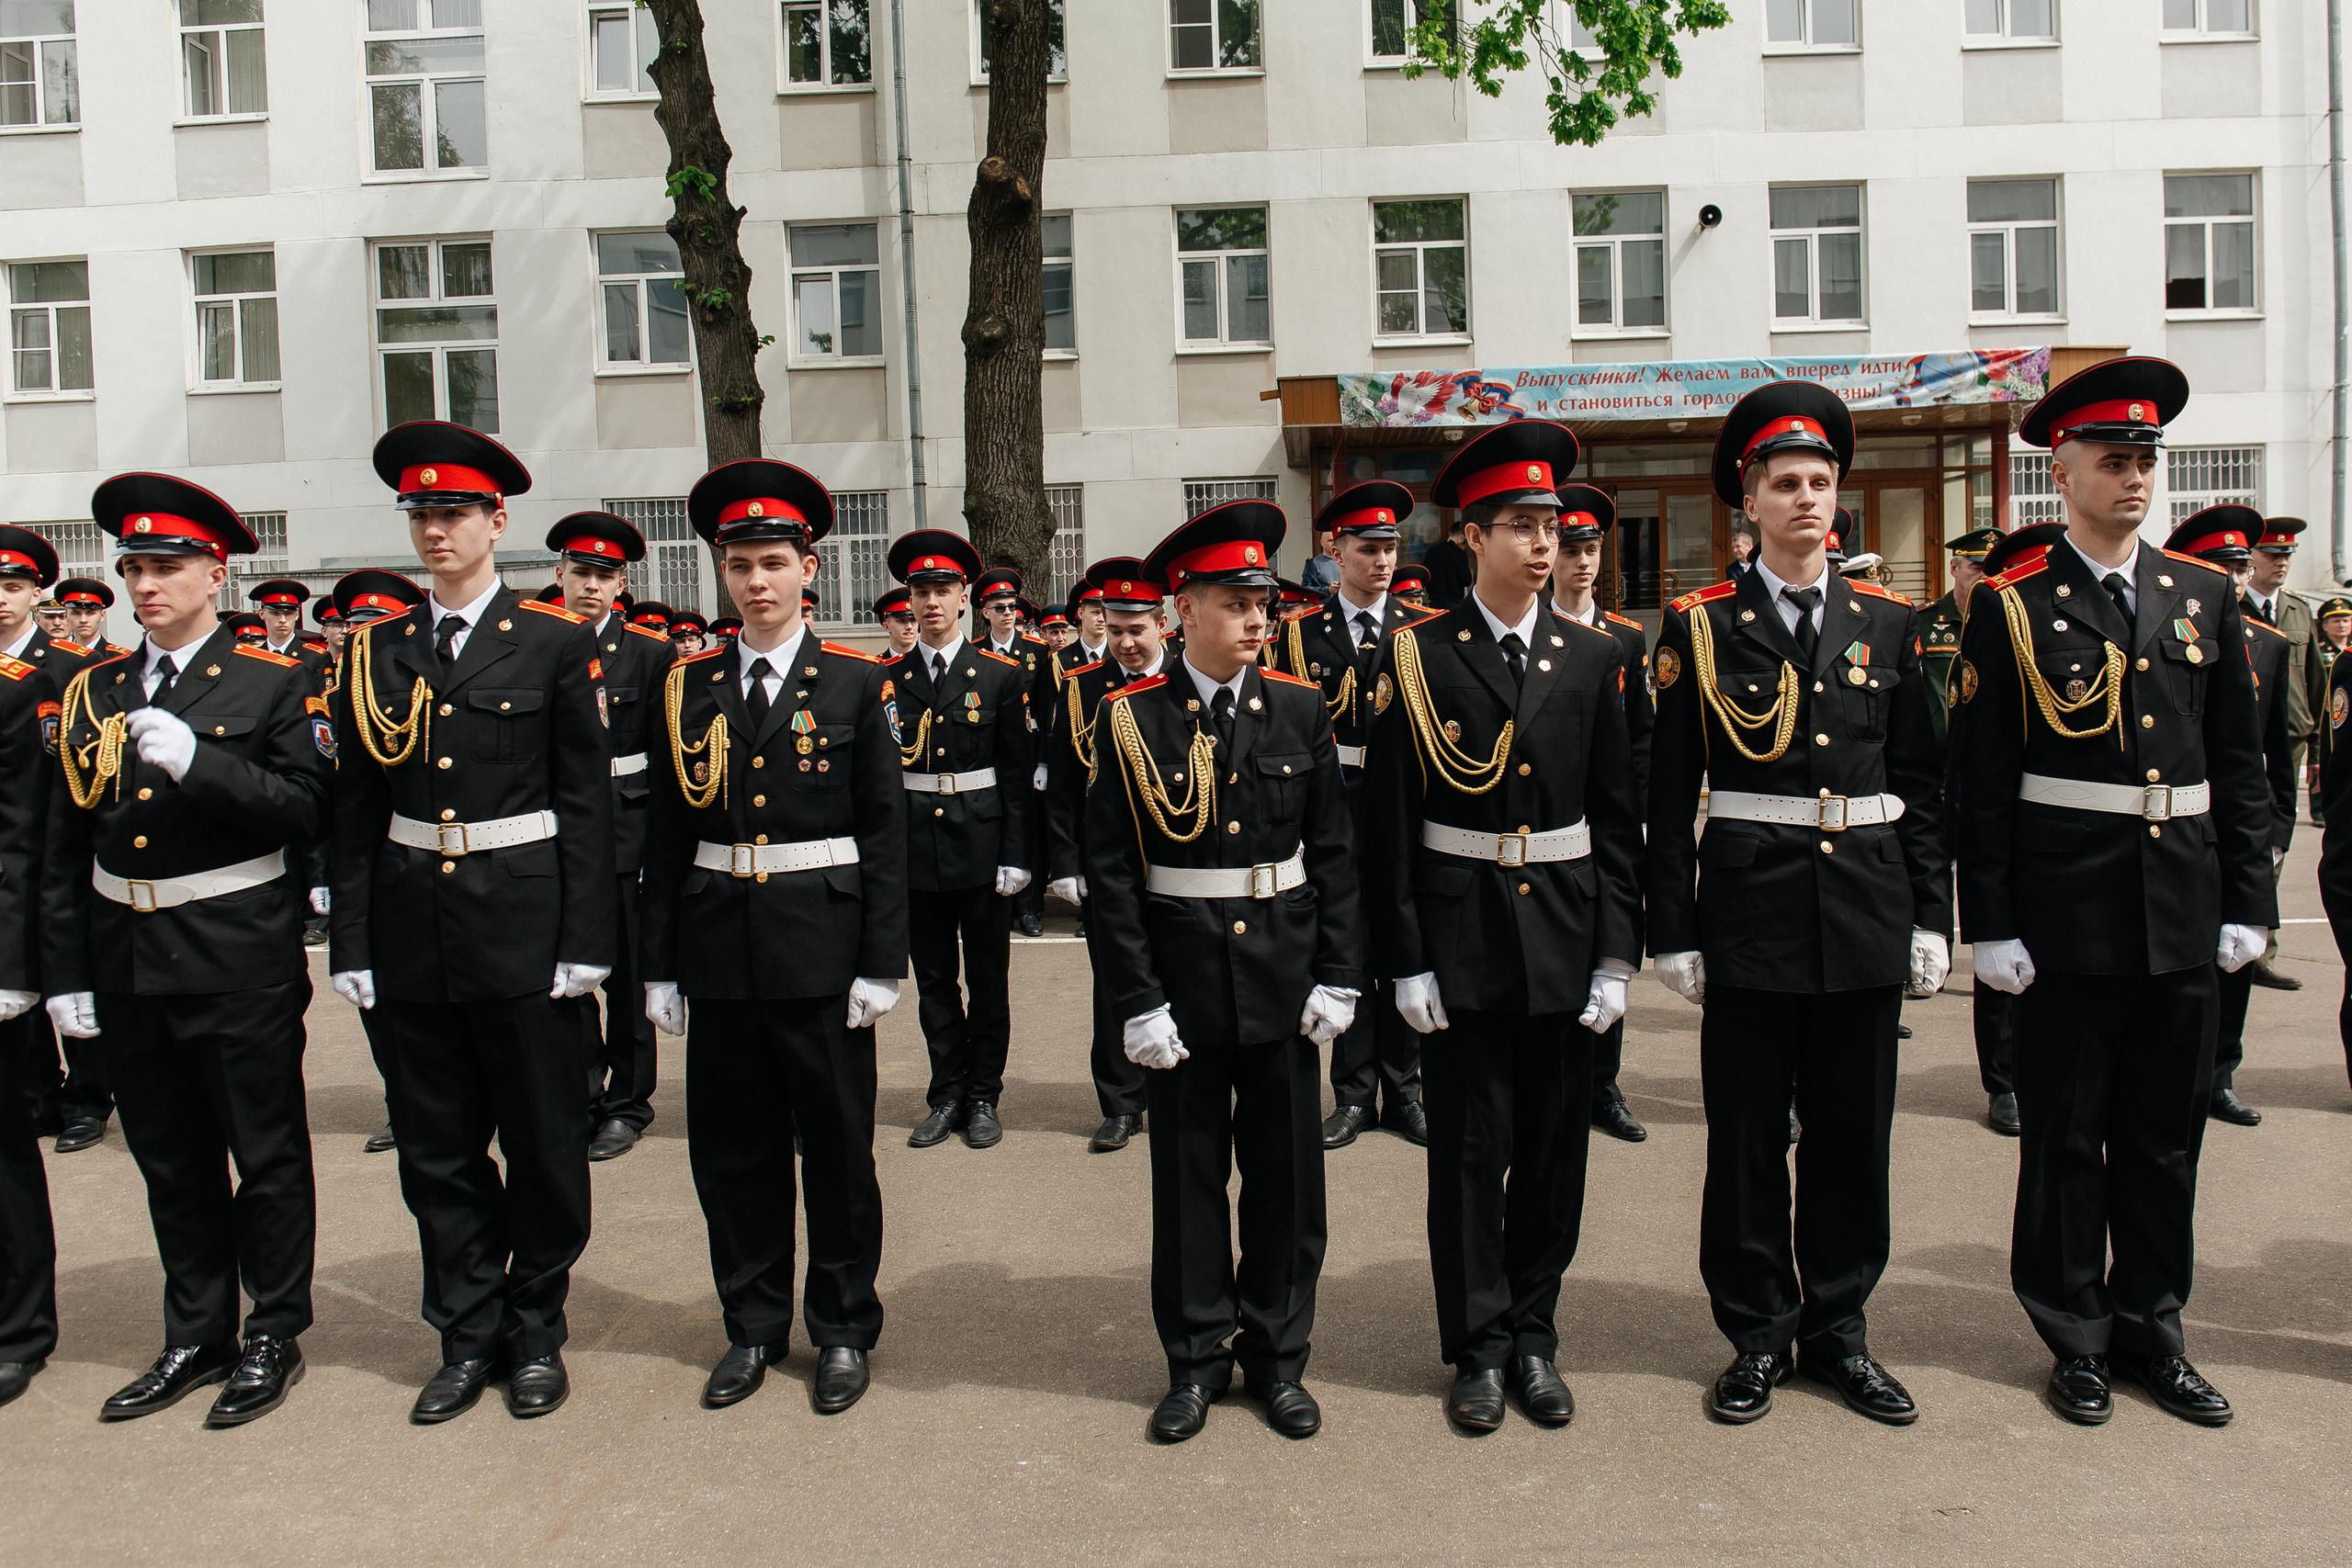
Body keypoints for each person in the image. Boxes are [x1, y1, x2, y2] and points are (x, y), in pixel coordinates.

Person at [1957, 356, 2269, 1429]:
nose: (2133, 478)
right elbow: (1982, 781)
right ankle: (2075, 1337)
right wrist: (1986, 924)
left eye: (2145, 460)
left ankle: (2153, 1333)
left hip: (2179, 907)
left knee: (2162, 1138)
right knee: (2065, 1137)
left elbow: (2240, 767)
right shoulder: (2015, 606)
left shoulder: (2205, 597)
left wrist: (2249, 900)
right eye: (2113, 459)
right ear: (2065, 468)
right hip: (2065, 912)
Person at [1650, 383, 1951, 1428]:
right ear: (1750, 501)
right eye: (1786, 484)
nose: (1807, 500)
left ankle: (1839, 1333)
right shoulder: (1697, 625)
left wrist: (1930, 917)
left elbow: (1921, 786)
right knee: (1742, 1140)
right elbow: (1662, 793)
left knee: (1850, 1137)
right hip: (1746, 913)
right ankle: (1755, 1335)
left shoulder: (1891, 623)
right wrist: (1671, 927)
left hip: (1864, 910)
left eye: (1821, 483)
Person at [327, 422, 616, 1424]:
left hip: (525, 930)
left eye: (452, 513)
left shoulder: (553, 641)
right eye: (419, 514)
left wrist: (588, 942)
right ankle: (466, 1334)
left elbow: (587, 804)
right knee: (436, 1151)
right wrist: (353, 943)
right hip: (414, 933)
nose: (434, 532)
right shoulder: (376, 650)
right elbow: (357, 810)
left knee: (542, 1147)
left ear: (498, 521)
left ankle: (535, 1330)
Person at [1362, 423, 1643, 1434]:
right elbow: (1387, 825)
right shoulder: (1418, 654)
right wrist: (1402, 961)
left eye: (1552, 525)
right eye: (1519, 526)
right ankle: (1477, 1348)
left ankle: (1535, 1337)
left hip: (1565, 940)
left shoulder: (1595, 655)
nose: (1543, 542)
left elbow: (1617, 818)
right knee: (1471, 1158)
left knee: (1555, 1157)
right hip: (1463, 939)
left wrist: (1617, 954)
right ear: (1470, 538)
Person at [43, 474, 329, 1427]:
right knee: (170, 1157)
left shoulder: (275, 679)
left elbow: (305, 809)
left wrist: (202, 765)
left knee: (266, 1152)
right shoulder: (99, 687)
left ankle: (272, 1330)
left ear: (216, 571)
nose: (146, 583)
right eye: (133, 566)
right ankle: (195, 1331)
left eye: (167, 566)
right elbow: (62, 840)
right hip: (127, 951)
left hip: (235, 953)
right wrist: (67, 971)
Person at [1089, 500, 1362, 1443]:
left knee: (1287, 1186)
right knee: (1189, 1184)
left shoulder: (1298, 706)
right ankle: (1196, 1360)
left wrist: (1341, 975)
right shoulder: (1129, 720)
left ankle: (1279, 1359)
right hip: (1183, 986)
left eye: (1265, 604)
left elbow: (1333, 856)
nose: (1257, 619)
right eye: (1237, 602)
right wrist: (1136, 1002)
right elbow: (1113, 876)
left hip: (1283, 978)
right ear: (1183, 610)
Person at [639, 458, 907, 1415]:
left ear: (810, 572)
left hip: (823, 954)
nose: (755, 581)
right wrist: (657, 965)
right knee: (733, 1155)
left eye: (772, 563)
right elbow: (667, 833)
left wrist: (883, 960)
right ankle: (752, 1328)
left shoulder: (855, 684)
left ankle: (840, 1328)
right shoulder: (685, 686)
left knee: (836, 1153)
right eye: (740, 564)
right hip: (718, 953)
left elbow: (884, 832)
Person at [1265, 480, 1427, 1152]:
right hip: (1334, 805)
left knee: (1406, 941)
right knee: (1348, 945)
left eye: (1390, 547)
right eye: (1368, 548)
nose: (1382, 561)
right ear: (1337, 551)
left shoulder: (1423, 627)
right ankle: (1356, 1092)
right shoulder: (1300, 635)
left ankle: (1408, 1089)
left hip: (1406, 806)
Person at [888, 536, 1035, 1151]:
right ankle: (945, 1091)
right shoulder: (887, 680)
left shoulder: (1000, 675)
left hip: (981, 843)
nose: (930, 602)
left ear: (964, 597)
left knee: (989, 980)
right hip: (916, 847)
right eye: (920, 593)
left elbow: (1019, 776)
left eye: (942, 591)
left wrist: (1017, 854)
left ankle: (983, 1095)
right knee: (935, 982)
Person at [542, 513, 673, 1162]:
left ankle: (627, 1102)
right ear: (558, 574)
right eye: (581, 572)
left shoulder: (650, 653)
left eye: (605, 575)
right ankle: (582, 1092)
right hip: (552, 831)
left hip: (625, 828)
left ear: (621, 584)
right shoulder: (534, 643)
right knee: (561, 977)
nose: (591, 585)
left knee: (625, 979)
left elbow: (667, 758)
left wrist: (658, 849)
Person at [2160, 508, 2292, 1129]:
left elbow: (2266, 755)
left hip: (2237, 828)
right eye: (2221, 566)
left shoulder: (2269, 645)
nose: (2234, 578)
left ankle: (2221, 1074)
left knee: (2235, 962)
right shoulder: (2167, 629)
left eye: (2240, 566)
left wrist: (2278, 829)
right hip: (2184, 831)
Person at [1544, 482, 1657, 1145]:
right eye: (1572, 549)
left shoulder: (1625, 638)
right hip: (1554, 812)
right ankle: (1562, 1073)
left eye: (1591, 549)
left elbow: (1639, 735)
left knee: (1611, 943)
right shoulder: (1535, 632)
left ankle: (1603, 1082)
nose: (1583, 562)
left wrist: (1635, 813)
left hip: (1607, 814)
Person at [1044, 558, 1170, 1151]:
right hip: (1108, 867)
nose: (1125, 643)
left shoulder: (1186, 682)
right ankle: (1120, 1102)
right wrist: (1065, 863)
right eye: (1114, 630)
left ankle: (1178, 1088)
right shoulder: (1082, 689)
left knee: (1185, 978)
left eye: (1136, 630)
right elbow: (1064, 786)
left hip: (1178, 864)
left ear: (1162, 623)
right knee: (1115, 984)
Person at [1918, 526, 2018, 1135]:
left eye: (1990, 569)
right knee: (1937, 897)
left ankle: (2005, 1079)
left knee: (2000, 928)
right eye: (1971, 567)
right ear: (1954, 568)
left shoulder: (2019, 622)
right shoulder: (1920, 626)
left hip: (1991, 792)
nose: (1979, 577)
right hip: (1931, 787)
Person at [328, 569, 430, 1156]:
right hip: (373, 867)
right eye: (355, 625)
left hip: (419, 861)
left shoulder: (415, 681)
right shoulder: (335, 689)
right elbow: (344, 804)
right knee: (380, 1006)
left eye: (378, 624)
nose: (361, 635)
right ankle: (402, 1102)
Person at [0, 525, 64, 1409]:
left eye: (10, 585)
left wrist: (18, 963)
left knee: (5, 1147)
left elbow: (32, 838)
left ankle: (19, 1326)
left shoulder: (49, 682)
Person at [2242, 517, 2311, 994]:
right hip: (2243, 741)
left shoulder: (2299, 612)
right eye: (2272, 555)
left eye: (2288, 556)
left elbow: (2319, 684)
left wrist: (2322, 747)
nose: (2281, 562)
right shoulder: (2225, 604)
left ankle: (2262, 949)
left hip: (2292, 738)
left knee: (2275, 845)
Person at [972, 567, 1053, 938]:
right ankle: (1000, 903)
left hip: (1028, 753)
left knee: (1029, 831)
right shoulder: (974, 653)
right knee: (996, 825)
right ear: (985, 611)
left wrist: (1042, 760)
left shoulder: (1037, 652)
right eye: (1000, 607)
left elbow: (1046, 707)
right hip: (992, 756)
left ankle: (1030, 907)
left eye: (1012, 607)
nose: (1008, 613)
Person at [2312, 595, 2352, 825]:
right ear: (2324, 625)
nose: (2342, 624)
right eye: (2336, 620)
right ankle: (2319, 806)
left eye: (2346, 619)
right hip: (2327, 711)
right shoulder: (2331, 655)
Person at [247, 580, 334, 684]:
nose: (282, 620)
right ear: (261, 613)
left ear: (297, 615)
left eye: (288, 613)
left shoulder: (316, 658)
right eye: (275, 613)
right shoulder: (252, 659)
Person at [1419, 514, 1473, 609]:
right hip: (1453, 601)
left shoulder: (1433, 551)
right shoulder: (1459, 553)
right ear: (1462, 536)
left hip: (1434, 601)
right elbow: (1466, 580)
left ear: (1449, 533)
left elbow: (1424, 574)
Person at [54, 576, 118, 653]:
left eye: (90, 613)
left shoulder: (119, 658)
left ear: (102, 615)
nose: (83, 620)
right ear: (66, 616)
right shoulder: (58, 657)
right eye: (76, 613)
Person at [874, 588, 919, 657]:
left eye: (913, 620)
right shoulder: (879, 665)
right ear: (886, 627)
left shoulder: (931, 660)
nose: (909, 626)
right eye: (902, 620)